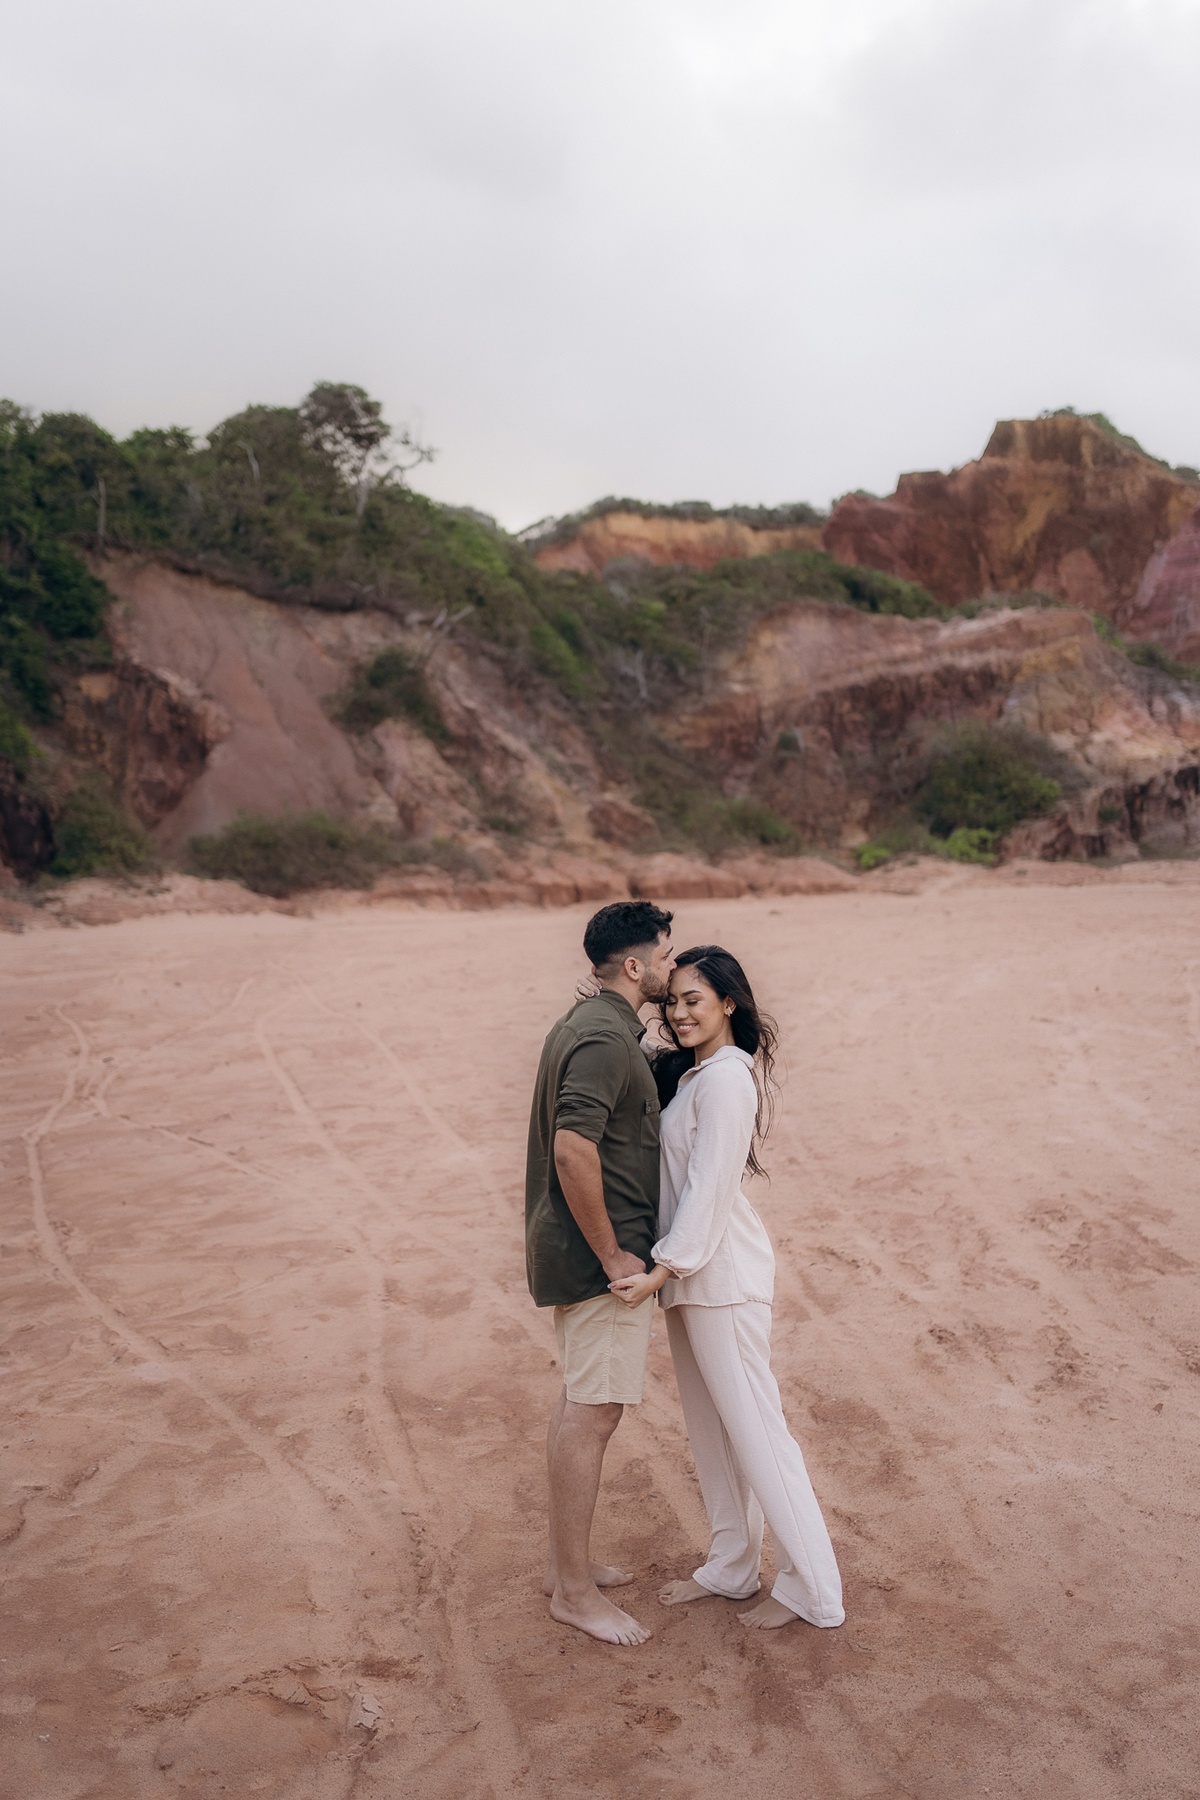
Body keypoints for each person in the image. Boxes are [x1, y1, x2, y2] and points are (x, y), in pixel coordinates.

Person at [601, 945, 845, 1631]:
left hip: (720, 1278)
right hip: (692, 1278)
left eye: (693, 1000)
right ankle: (733, 1564)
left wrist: (661, 1268)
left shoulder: (729, 1080)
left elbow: (709, 1189)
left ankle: (815, 1592)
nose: (678, 1013)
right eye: (671, 1001)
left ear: (729, 1003)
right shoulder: (695, 1077)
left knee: (760, 1437)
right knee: (713, 1432)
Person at [525, 900, 676, 1646]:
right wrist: (615, 1253)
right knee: (595, 1414)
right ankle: (575, 1595)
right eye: (667, 956)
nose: (673, 968)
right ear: (635, 965)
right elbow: (573, 1149)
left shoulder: (599, 1026)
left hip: (583, 1253)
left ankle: (564, 1568)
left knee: (579, 1403)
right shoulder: (602, 1038)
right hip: (598, 1263)